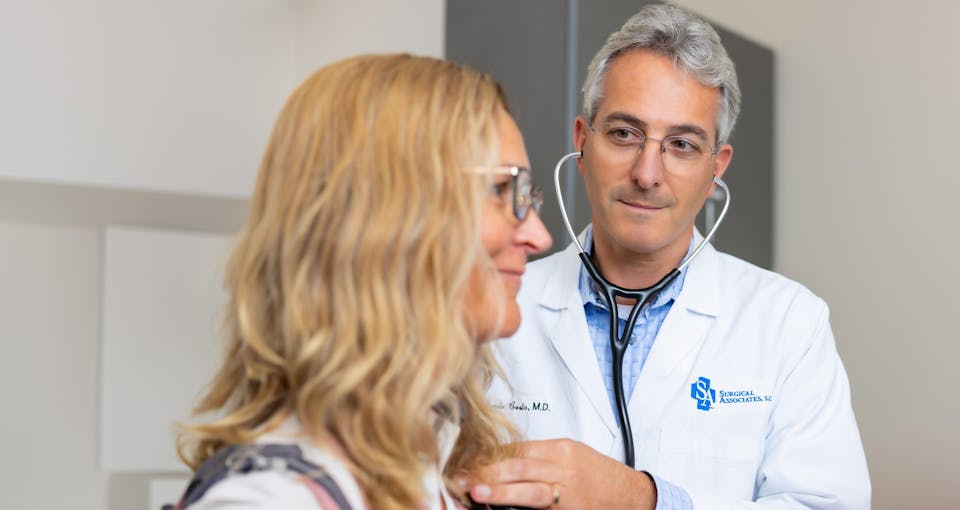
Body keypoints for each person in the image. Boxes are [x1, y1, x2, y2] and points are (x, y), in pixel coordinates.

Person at [463, 5, 871, 510]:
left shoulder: (788, 322)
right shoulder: (489, 303)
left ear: (716, 168)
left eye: (681, 144)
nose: (648, 173)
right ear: (581, 140)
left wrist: (645, 500)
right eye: (624, 133)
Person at [173, 53, 551, 510]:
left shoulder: (441, 468)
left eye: (528, 198)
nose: (538, 235)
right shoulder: (271, 501)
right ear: (389, 219)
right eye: (501, 190)